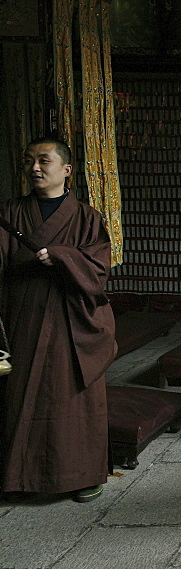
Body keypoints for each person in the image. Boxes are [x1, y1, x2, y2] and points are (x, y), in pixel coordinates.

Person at [0, 138, 116, 503]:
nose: (35, 167)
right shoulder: (11, 212)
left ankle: (83, 475)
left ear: (66, 169)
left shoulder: (86, 217)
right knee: (18, 397)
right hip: (24, 315)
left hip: (71, 320)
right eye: (29, 161)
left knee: (73, 401)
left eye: (44, 161)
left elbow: (99, 269)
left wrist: (65, 256)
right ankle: (18, 477)